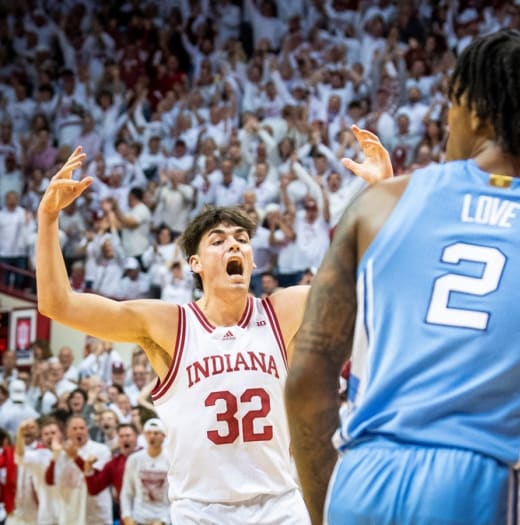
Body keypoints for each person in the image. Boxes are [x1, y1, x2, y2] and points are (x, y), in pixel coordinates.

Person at [286, 30, 520, 525]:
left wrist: (327, 512)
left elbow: (307, 381)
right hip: (483, 489)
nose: (446, 124)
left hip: (362, 481)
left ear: (478, 111)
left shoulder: (379, 205)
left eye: (450, 109)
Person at [36, 129, 385, 524]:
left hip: (279, 505)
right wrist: (48, 217)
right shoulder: (169, 323)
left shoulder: (281, 310)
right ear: (195, 265)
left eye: (241, 239)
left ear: (253, 260)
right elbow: (56, 303)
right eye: (218, 241)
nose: (234, 245)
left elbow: (367, 277)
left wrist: (383, 194)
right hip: (201, 512)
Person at [120, 418, 171, 525]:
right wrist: (127, 516)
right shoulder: (134, 459)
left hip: (162, 517)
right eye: (149, 433)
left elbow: (175, 496)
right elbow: (126, 492)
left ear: (164, 436)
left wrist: (165, 520)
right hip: (139, 518)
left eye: (156, 433)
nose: (152, 436)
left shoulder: (170, 460)